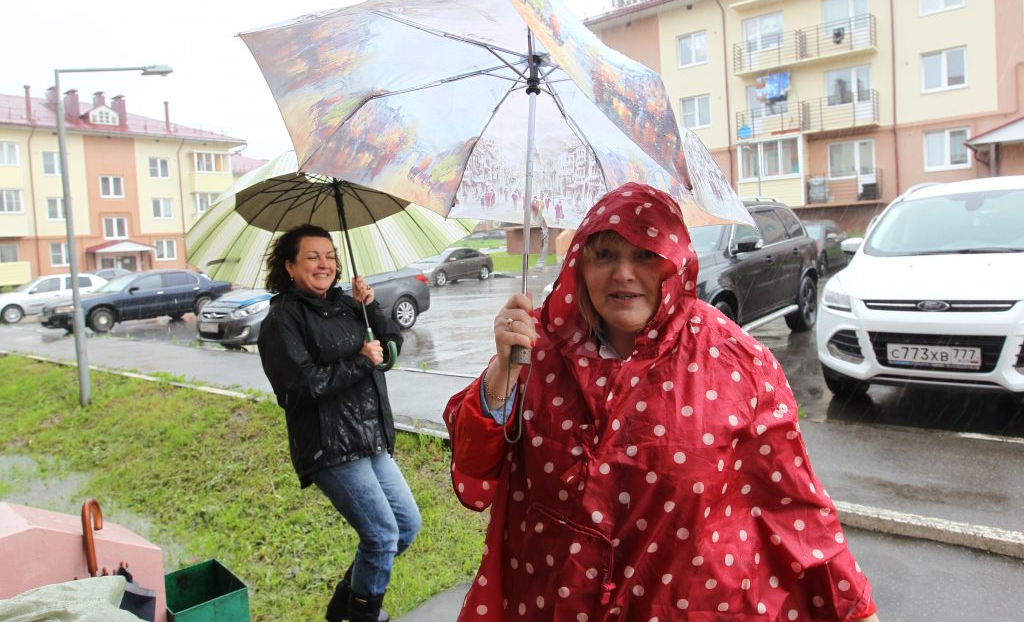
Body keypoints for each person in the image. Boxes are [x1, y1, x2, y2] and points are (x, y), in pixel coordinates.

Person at [445, 183, 880, 621]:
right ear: (580, 263)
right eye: (606, 255)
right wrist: (504, 372)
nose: (624, 274)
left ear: (675, 263)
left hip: (681, 603)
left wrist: (854, 607)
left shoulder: (735, 361)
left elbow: (793, 505)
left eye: (646, 255)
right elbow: (474, 466)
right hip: (550, 601)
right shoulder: (537, 344)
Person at [258, 224, 420, 622]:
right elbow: (301, 384)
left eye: (329, 256)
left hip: (369, 436)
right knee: (381, 536)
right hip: (329, 446)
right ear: (290, 267)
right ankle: (365, 616)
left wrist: (371, 305)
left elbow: (389, 347)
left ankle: (344, 607)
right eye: (312, 257)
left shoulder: (347, 303)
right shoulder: (281, 321)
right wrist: (360, 361)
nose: (324, 264)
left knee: (405, 526)